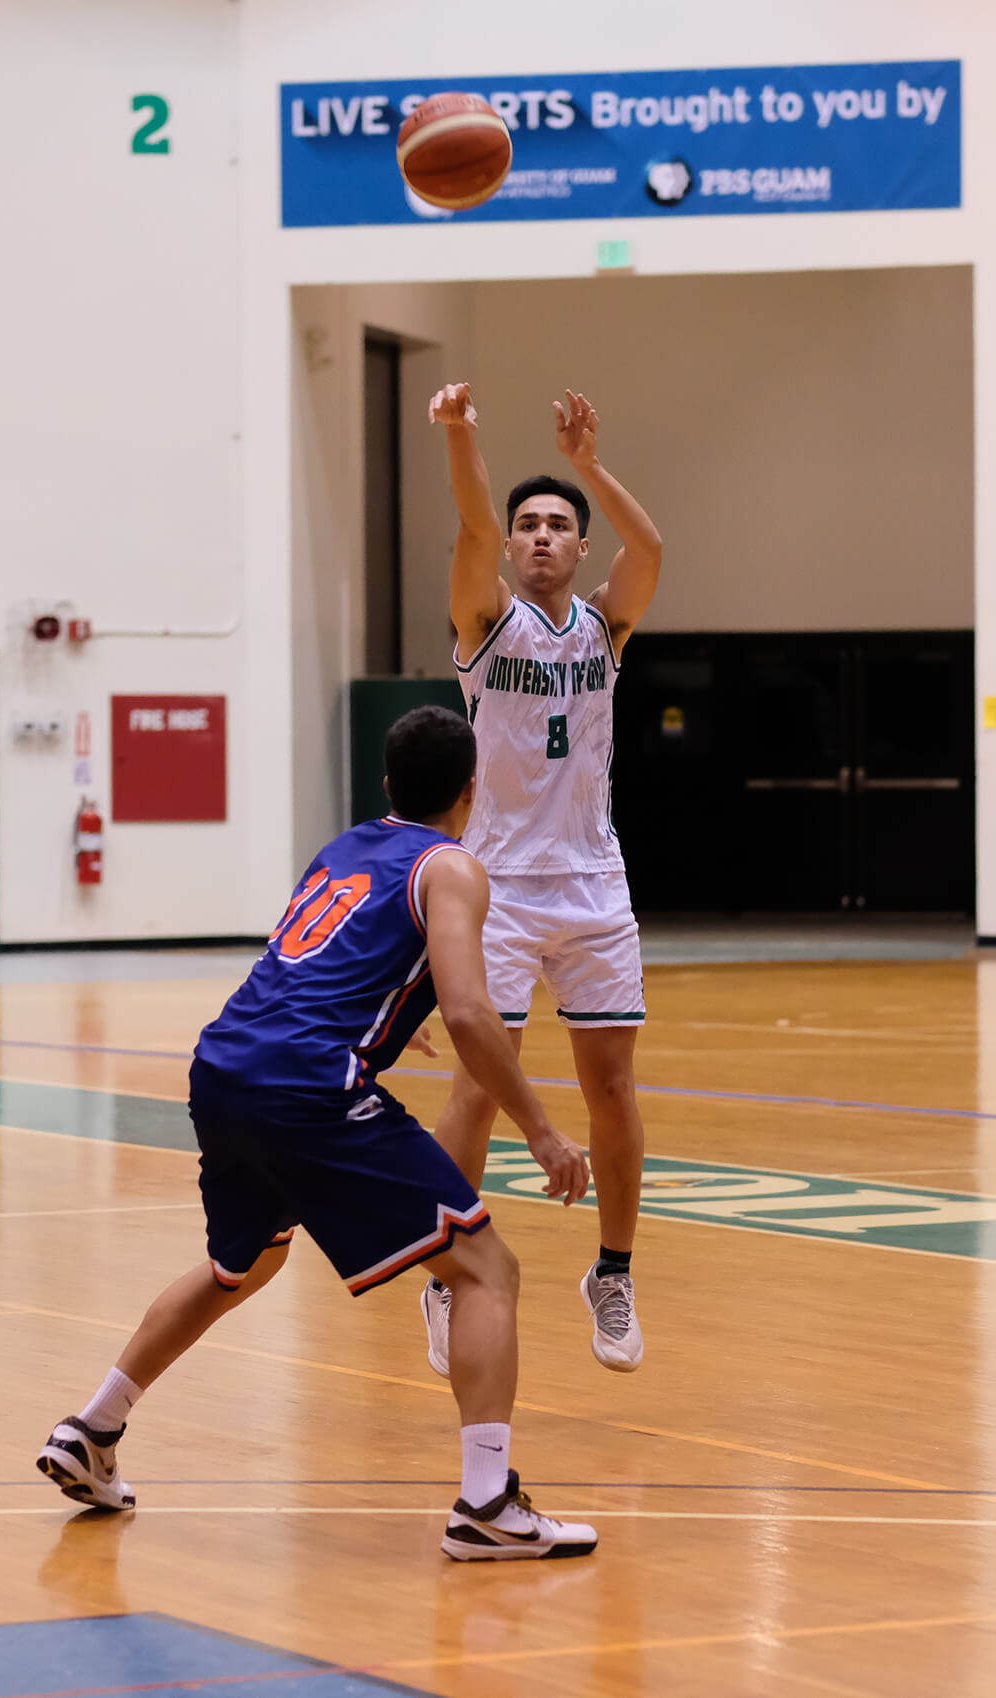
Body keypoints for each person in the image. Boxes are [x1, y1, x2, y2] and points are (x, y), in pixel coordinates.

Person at [37, 707, 597, 1562]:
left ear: (385, 787)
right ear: (473, 790)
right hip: (306, 1084)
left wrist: (388, 1015)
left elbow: (320, 958)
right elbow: (471, 1011)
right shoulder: (453, 867)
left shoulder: (345, 847)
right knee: (486, 1268)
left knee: (245, 1262)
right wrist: (543, 1131)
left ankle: (94, 1425)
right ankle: (487, 1503)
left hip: (224, 1065)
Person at [421, 383, 662, 1377]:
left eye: (561, 525)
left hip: (595, 885)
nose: (542, 537)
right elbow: (472, 521)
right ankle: (446, 1273)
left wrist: (594, 464)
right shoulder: (486, 623)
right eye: (529, 525)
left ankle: (611, 1272)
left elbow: (649, 554)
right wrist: (460, 435)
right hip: (504, 887)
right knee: (479, 1088)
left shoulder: (605, 630)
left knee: (612, 1086)